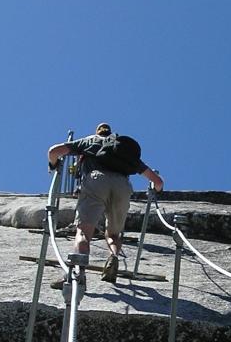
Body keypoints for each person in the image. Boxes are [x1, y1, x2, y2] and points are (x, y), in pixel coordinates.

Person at [47, 122, 164, 285]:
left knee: (83, 233)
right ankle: (114, 257)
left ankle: (77, 275)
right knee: (113, 234)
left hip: (96, 181)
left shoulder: (89, 141)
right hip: (122, 186)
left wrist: (53, 164)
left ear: (97, 132)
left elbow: (54, 151)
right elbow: (157, 181)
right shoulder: (122, 149)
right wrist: (155, 190)